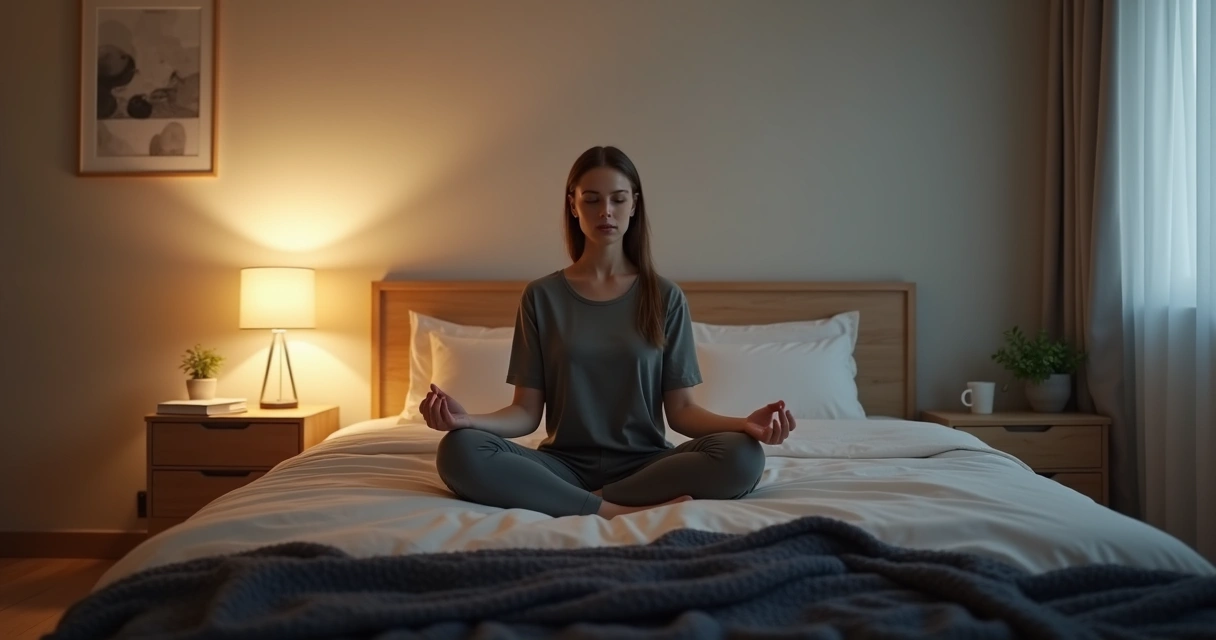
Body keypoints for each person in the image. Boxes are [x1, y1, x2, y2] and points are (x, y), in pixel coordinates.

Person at [419, 145, 796, 519]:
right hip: (562, 465)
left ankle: (578, 501)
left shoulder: (665, 296)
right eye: (592, 200)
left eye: (617, 199)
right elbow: (525, 413)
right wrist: (468, 421)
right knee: (459, 449)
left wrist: (744, 425)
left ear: (634, 204)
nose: (606, 212)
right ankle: (611, 509)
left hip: (648, 466)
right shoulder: (541, 296)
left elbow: (682, 413)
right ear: (573, 205)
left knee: (743, 455)